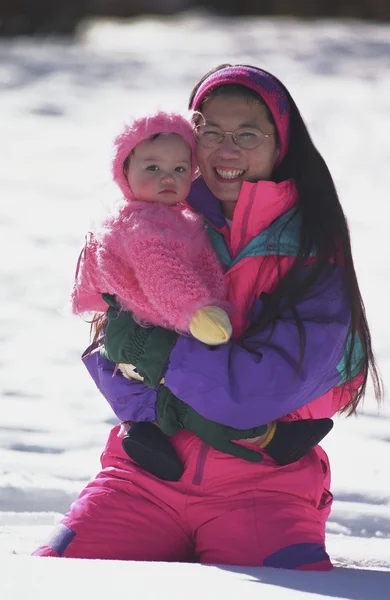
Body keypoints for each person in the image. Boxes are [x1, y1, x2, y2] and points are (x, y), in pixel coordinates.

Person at [33, 64, 382, 569]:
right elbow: (111, 358)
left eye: (247, 134)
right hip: (146, 475)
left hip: (263, 486)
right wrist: (165, 405)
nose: (226, 150)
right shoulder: (152, 221)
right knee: (52, 576)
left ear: (281, 144)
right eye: (209, 132)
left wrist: (165, 356)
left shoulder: (312, 248)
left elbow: (261, 392)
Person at [71, 109, 332, 482]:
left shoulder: (178, 218)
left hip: (152, 328)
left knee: (159, 395)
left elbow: (202, 265)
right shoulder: (143, 225)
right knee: (196, 409)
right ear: (123, 172)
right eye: (152, 169)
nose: (167, 178)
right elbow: (165, 277)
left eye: (179, 170)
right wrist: (198, 312)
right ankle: (270, 439)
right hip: (151, 326)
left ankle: (143, 435)